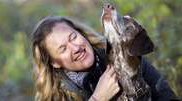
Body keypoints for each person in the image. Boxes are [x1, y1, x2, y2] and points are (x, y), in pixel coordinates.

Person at [31, 16, 176, 101]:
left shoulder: (121, 54)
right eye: (63, 49)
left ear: (81, 33)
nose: (75, 48)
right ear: (54, 63)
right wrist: (98, 98)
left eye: (73, 37)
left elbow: (164, 94)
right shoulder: (57, 96)